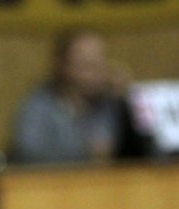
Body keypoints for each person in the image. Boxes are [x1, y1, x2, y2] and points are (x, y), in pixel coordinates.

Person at [8, 29, 128, 164]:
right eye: (87, 65)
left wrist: (126, 99)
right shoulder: (40, 105)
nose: (97, 72)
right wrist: (85, 152)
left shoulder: (109, 103)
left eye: (101, 63)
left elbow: (137, 149)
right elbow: (28, 152)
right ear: (64, 66)